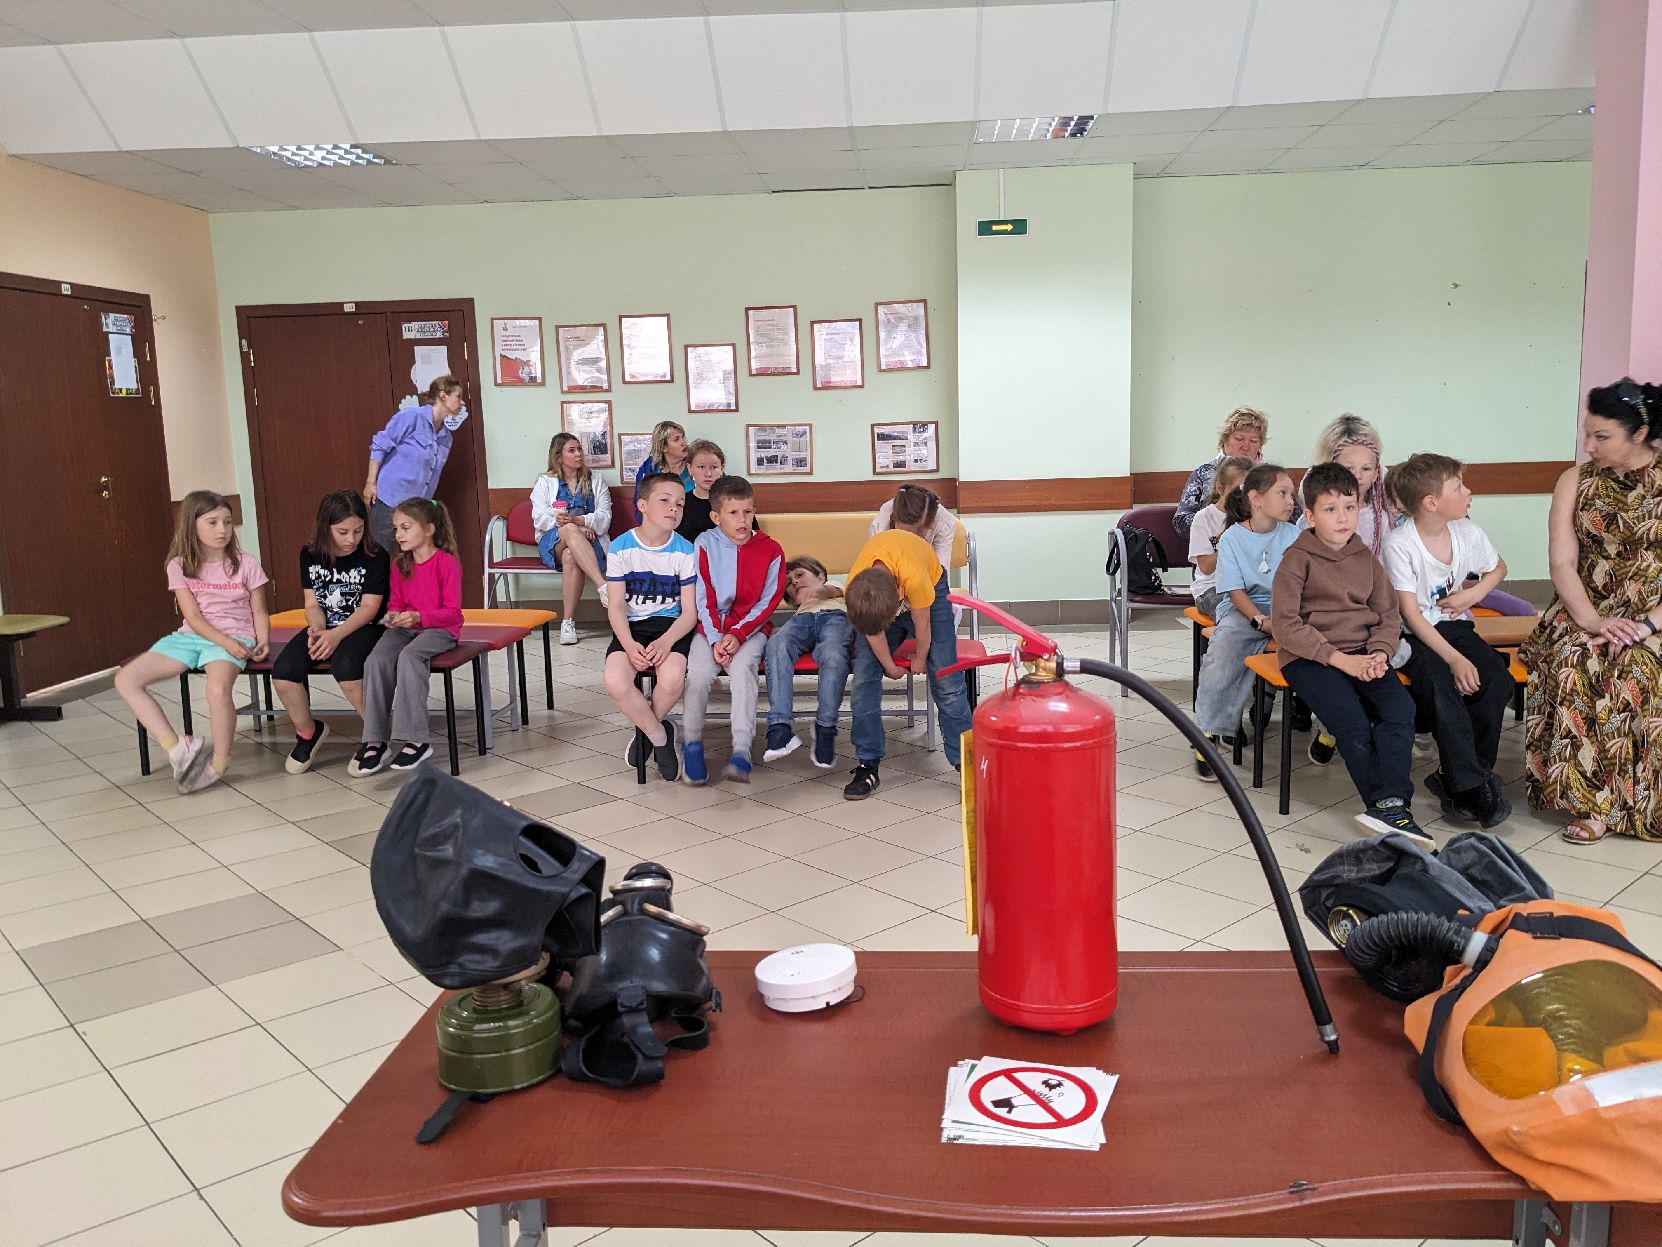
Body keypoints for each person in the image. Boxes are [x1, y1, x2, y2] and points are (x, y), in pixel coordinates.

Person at [1521, 378, 1662, 845]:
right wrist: (1592, 621)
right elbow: (1562, 562)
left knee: (1637, 667)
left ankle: (1639, 803)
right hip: (1585, 606)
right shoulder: (1575, 480)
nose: (1589, 446)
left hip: (1654, 614)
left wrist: (1644, 626)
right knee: (1576, 659)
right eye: (1588, 434)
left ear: (1639, 433)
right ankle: (1592, 805)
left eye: (1602, 436)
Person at [1272, 464, 1426, 841]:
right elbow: (1286, 626)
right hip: (1310, 658)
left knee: (1400, 710)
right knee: (1354, 724)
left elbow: (1388, 613)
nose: (1342, 518)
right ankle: (1389, 809)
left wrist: (1380, 654)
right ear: (1310, 516)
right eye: (1330, 509)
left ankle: (1390, 805)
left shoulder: (1365, 557)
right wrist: (1342, 661)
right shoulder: (1296, 559)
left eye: (1350, 507)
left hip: (1365, 653)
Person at [1384, 453, 1513, 828]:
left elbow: (1498, 567)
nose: (1468, 492)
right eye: (1458, 487)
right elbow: (1411, 616)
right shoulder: (1399, 544)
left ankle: (1462, 780)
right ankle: (1473, 786)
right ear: (1431, 503)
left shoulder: (1466, 531)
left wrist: (1472, 595)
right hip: (1413, 635)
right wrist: (1454, 659)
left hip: (1451, 626)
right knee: (1443, 689)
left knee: (1496, 681)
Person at [115, 490, 269, 794]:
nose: (222, 529)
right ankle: (177, 748)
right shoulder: (179, 565)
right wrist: (223, 642)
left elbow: (260, 610)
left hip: (236, 635)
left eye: (227, 522)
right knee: (126, 680)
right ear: (192, 525)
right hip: (193, 636)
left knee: (217, 690)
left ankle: (219, 763)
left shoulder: (246, 563)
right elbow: (194, 617)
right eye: (212, 522)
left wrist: (261, 639)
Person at [842, 527, 972, 799]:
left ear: (901, 599)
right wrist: (889, 666)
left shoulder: (915, 580)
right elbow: (872, 630)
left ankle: (968, 767)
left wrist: (921, 659)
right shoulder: (855, 586)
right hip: (886, 593)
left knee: (947, 679)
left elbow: (923, 626)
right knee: (864, 676)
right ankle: (868, 764)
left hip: (931, 582)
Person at [1191, 463, 1298, 777]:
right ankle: (1207, 732)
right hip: (1243, 609)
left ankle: (1328, 732)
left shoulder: (1294, 535)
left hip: (1286, 608)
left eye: (1292, 494)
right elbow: (1234, 591)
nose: (1291, 501)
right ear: (1256, 498)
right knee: (1223, 650)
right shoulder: (1232, 538)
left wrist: (1285, 618)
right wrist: (1261, 621)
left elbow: (1302, 585)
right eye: (1283, 493)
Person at [270, 490, 388, 775]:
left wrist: (336, 636)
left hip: (365, 626)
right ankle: (308, 733)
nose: (351, 539)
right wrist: (318, 629)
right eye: (343, 532)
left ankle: (377, 738)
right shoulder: (310, 554)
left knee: (346, 668)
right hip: (326, 626)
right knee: (284, 673)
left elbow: (369, 608)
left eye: (358, 530)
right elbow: (312, 604)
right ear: (326, 528)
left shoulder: (375, 555)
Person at [682, 476, 786, 785]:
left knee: (743, 670)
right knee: (698, 674)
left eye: (748, 512)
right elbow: (703, 596)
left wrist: (738, 634)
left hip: (751, 631)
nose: (742, 520)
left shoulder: (771, 550)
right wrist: (716, 638)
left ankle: (741, 749)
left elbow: (769, 601)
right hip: (709, 630)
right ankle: (691, 745)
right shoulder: (704, 544)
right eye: (733, 513)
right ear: (716, 517)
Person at [349, 498, 462, 776]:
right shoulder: (400, 565)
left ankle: (417, 740)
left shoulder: (447, 564)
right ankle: (374, 740)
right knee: (376, 660)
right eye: (396, 528)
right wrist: (393, 616)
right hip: (406, 628)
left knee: (410, 657)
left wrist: (418, 617)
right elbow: (396, 604)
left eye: (405, 527)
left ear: (429, 529)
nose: (398, 534)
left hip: (440, 629)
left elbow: (452, 612)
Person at [604, 472, 698, 782]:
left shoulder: (685, 550)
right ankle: (659, 735)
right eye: (665, 500)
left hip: (671, 626)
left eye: (680, 504)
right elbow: (616, 606)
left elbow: (689, 612)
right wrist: (629, 645)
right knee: (615, 680)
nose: (674, 508)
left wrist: (667, 641)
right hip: (632, 626)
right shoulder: (620, 547)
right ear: (642, 505)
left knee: (671, 679)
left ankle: (645, 733)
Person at [763, 556, 854, 769]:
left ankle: (825, 726)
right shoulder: (798, 610)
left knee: (834, 656)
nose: (794, 581)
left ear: (821, 577)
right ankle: (780, 727)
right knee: (776, 645)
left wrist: (820, 592)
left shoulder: (835, 587)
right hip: (801, 621)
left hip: (835, 618)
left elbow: (832, 590)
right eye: (789, 583)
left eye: (800, 575)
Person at [363, 375, 468, 553]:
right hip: (389, 499)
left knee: (414, 556)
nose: (462, 403)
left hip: (416, 508)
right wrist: (370, 482)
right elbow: (380, 445)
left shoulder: (446, 438)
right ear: (443, 395)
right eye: (458, 397)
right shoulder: (411, 417)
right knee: (378, 555)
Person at [532, 431, 612, 645]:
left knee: (571, 556)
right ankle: (603, 586)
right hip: (553, 544)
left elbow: (605, 518)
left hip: (590, 544)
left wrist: (579, 521)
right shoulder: (545, 482)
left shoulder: (596, 480)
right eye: (572, 450)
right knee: (568, 532)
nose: (578, 454)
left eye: (579, 449)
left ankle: (567, 622)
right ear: (559, 457)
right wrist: (573, 526)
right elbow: (539, 518)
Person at [1173, 406, 1269, 537]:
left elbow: (1290, 518)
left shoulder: (1270, 477)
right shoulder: (1204, 472)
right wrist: (1214, 522)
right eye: (1239, 439)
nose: (1246, 446)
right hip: (1211, 544)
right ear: (1224, 440)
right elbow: (1181, 522)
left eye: (1253, 441)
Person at [1312, 414, 1399, 556]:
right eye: (1349, 468)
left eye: (1366, 468)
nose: (1357, 476)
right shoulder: (1314, 494)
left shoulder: (1380, 519)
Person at [1186, 455, 1253, 619]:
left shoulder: (1255, 516)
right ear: (1220, 488)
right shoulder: (1204, 518)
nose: (1243, 498)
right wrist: (1228, 540)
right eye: (1238, 491)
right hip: (1212, 588)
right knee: (1235, 613)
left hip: (1247, 586)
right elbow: (1206, 568)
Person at [632, 420, 694, 520]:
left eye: (683, 438)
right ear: (663, 447)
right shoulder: (649, 469)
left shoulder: (696, 465)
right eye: (676, 440)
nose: (684, 443)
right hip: (659, 526)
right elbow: (640, 506)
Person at [677, 439, 728, 541]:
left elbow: (752, 537)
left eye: (714, 467)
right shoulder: (680, 503)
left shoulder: (735, 501)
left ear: (721, 469)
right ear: (690, 468)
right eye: (701, 467)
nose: (708, 474)